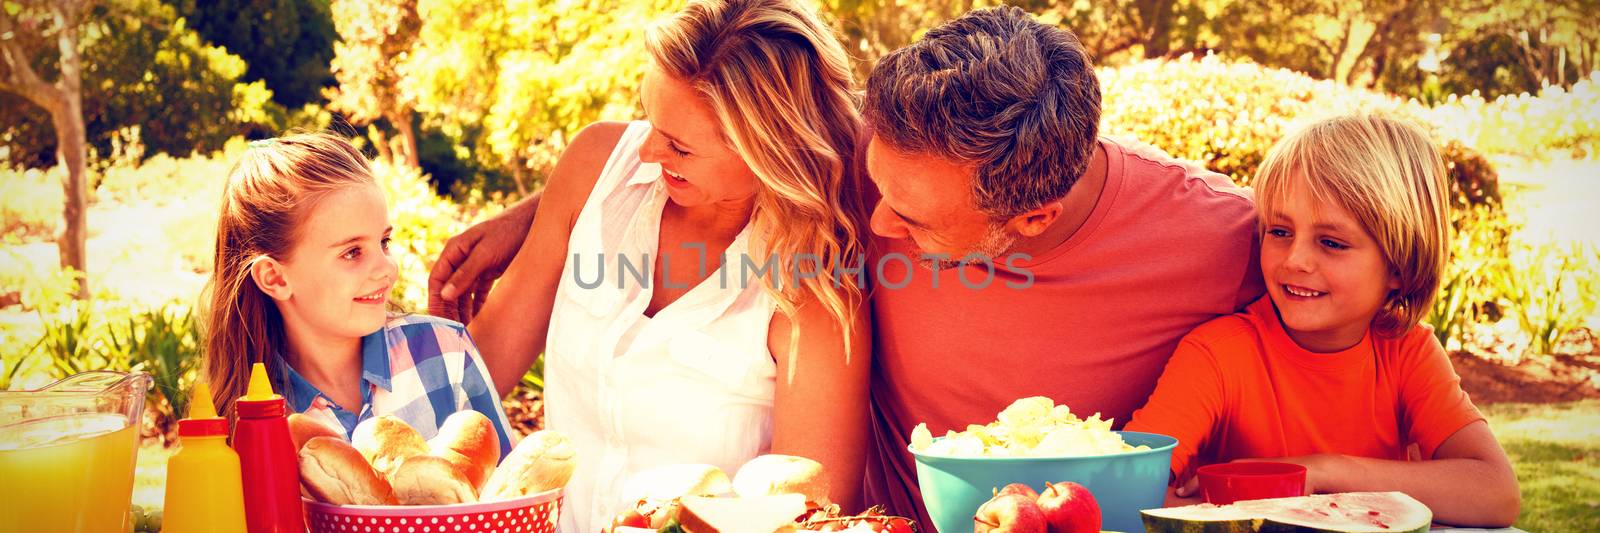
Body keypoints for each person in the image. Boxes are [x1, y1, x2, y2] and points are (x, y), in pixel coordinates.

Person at [436, 7, 1262, 529]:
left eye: (910, 218)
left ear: (1030, 218)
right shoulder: (867, 158)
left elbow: (1335, 317)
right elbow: (711, 128)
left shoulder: (1217, 239)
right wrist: (541, 220)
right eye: (871, 181)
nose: (870, 224)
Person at [459, 0, 873, 530]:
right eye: (649, 119)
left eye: (678, 147)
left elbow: (815, 516)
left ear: (771, 151)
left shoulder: (813, 287)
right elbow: (476, 379)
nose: (647, 152)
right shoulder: (596, 167)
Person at [1125, 114, 1520, 527]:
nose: (1295, 260)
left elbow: (1496, 491)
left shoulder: (1408, 351)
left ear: (1400, 268)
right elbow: (1130, 485)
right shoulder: (1218, 353)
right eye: (1279, 232)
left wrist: (1326, 471)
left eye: (1331, 242)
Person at [203, 132, 514, 455]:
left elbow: (515, 495)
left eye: (384, 242)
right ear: (275, 278)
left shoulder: (446, 351)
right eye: (352, 252)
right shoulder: (253, 421)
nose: (386, 269)